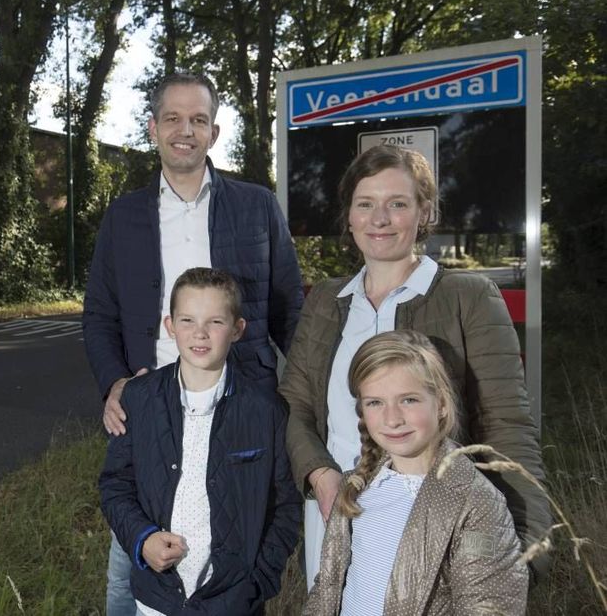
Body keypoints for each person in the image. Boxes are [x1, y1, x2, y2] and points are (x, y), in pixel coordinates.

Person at [83, 72, 304, 614]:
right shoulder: (124, 217)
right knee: (130, 568)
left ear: (214, 131)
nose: (186, 130)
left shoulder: (257, 207)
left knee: (234, 550)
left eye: (199, 120)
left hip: (240, 409)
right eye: (174, 119)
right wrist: (115, 382)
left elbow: (289, 310)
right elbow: (99, 315)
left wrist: (303, 401)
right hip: (153, 411)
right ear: (154, 128)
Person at [281, 144, 550, 587]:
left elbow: (507, 428)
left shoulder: (469, 298)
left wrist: (525, 552)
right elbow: (295, 406)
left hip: (434, 532)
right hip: (334, 522)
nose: (380, 219)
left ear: (425, 212)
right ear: (349, 215)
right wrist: (321, 476)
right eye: (365, 204)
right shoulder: (326, 302)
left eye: (398, 204)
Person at [99, 267, 301, 615]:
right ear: (170, 326)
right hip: (157, 597)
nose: (200, 333)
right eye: (188, 320)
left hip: (232, 601)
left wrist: (257, 582)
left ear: (238, 330)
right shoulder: (139, 398)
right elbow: (116, 483)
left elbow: (284, 506)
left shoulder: (265, 410)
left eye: (216, 322)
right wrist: (142, 538)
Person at [304, 330, 528, 614]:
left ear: (442, 404)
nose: (393, 419)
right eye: (375, 402)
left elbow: (487, 606)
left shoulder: (476, 503)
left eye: (409, 400)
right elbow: (328, 586)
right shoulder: (355, 488)